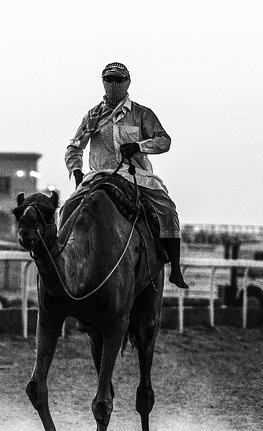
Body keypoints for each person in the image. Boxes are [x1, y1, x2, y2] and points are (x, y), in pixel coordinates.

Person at [64, 62, 188, 288]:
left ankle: (176, 269)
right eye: (109, 79)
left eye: (118, 80)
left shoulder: (142, 114)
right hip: (99, 175)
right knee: (67, 208)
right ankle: (61, 257)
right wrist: (77, 170)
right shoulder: (93, 116)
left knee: (168, 209)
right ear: (103, 81)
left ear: (127, 82)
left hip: (135, 176)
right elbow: (74, 146)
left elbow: (164, 141)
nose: (113, 84)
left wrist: (139, 146)